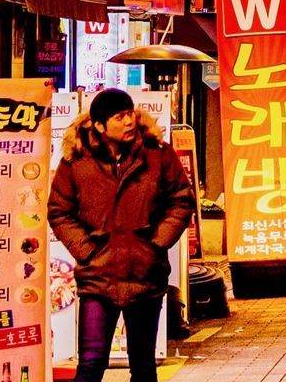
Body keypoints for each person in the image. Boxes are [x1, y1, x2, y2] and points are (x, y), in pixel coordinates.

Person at [48, 89, 195, 382]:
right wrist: (88, 250)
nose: (129, 121)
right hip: (97, 278)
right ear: (100, 126)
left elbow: (181, 199)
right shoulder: (76, 160)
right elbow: (59, 211)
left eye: (130, 113)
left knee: (143, 366)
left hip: (145, 274)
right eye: (119, 117)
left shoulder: (158, 153)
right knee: (91, 364)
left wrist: (156, 243)